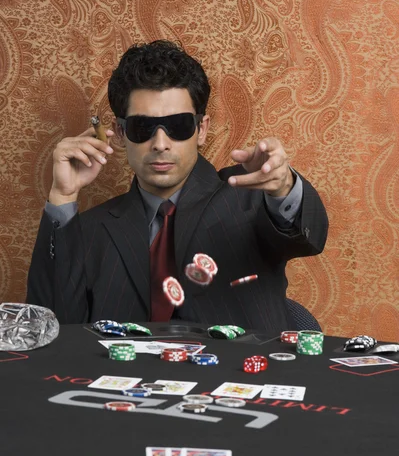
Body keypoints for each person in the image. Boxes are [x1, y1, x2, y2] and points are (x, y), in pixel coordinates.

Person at [26, 40, 328, 334]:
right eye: (142, 128)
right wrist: (62, 197)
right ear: (120, 133)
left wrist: (284, 187)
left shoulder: (251, 202)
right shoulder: (90, 230)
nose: (160, 144)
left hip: (236, 381)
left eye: (179, 125)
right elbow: (50, 327)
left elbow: (307, 238)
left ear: (201, 130)